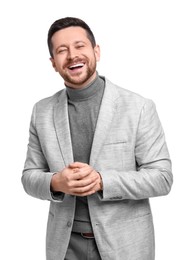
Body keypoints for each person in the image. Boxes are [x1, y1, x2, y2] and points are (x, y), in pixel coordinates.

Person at [21, 17, 173, 260]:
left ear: (96, 51)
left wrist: (102, 181)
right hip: (64, 247)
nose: (72, 55)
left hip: (126, 246)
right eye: (62, 50)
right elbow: (29, 177)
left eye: (80, 46)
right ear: (54, 63)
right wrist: (57, 183)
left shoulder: (138, 107)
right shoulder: (42, 111)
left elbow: (162, 178)